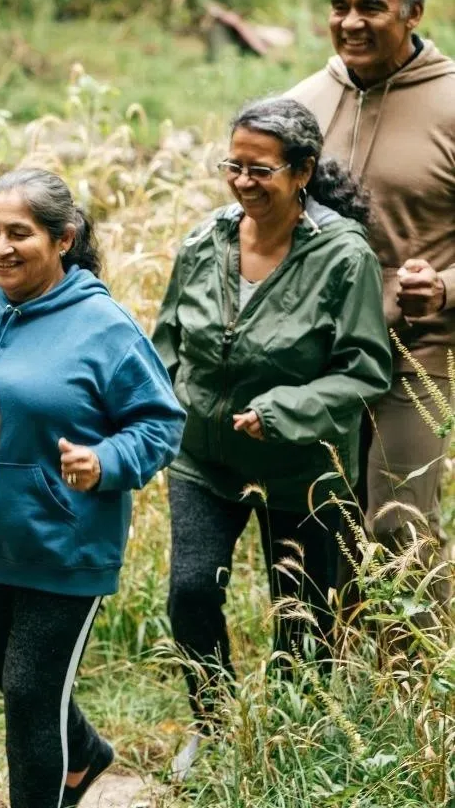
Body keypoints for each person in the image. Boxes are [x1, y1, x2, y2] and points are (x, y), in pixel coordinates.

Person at [0, 169, 185, 808]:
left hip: (66, 546)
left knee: (30, 698)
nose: (1, 247)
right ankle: (86, 755)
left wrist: (106, 460)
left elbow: (160, 421)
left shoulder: (103, 326)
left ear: (63, 239)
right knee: (17, 682)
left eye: (20, 234)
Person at [153, 97, 392, 776]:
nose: (243, 181)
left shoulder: (343, 256)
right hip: (203, 457)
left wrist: (287, 409)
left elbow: (365, 369)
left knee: (303, 613)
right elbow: (166, 341)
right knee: (191, 591)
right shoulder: (206, 241)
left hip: (301, 467)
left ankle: (287, 741)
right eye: (234, 165)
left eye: (261, 169)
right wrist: (164, 408)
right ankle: (214, 721)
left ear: (303, 171)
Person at [287, 0, 455, 618]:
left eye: (371, 7)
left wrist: (443, 285)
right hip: (314, 350)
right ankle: (327, 681)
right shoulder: (303, 103)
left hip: (416, 348)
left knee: (398, 523)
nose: (350, 22)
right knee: (318, 523)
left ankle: (415, 698)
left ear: (413, 15)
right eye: (339, 5)